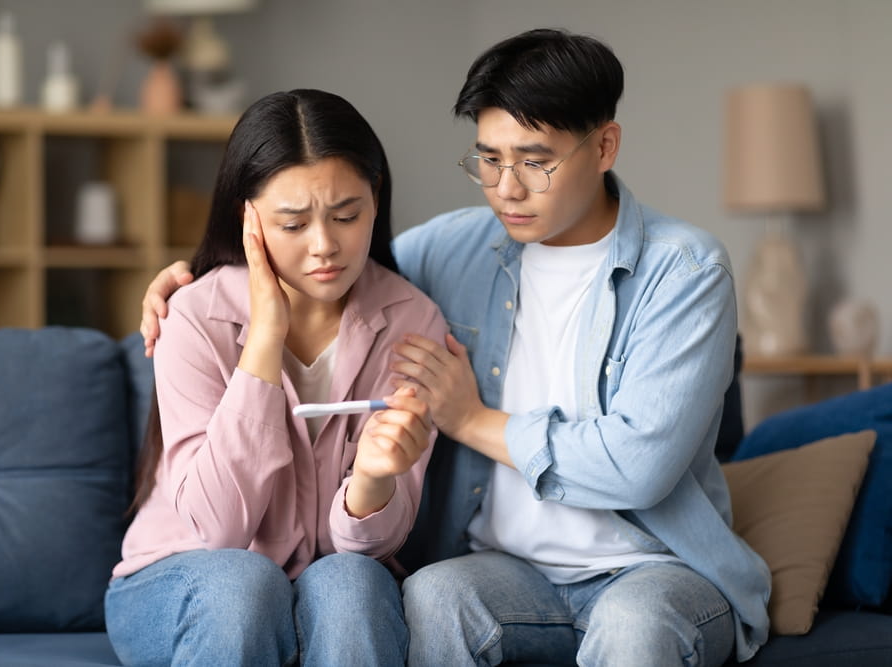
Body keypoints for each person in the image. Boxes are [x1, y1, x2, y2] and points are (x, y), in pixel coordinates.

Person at [140, 29, 771, 666]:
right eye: (488, 159)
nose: (507, 188)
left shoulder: (684, 271)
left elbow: (639, 467)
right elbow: (324, 268)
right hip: (502, 570)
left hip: (652, 566)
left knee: (637, 627)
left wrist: (472, 420)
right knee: (429, 597)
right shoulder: (453, 248)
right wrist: (190, 280)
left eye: (535, 160)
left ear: (605, 145)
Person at [108, 88, 447, 667]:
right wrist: (264, 338)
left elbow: (373, 546)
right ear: (249, 217)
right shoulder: (192, 316)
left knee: (353, 582)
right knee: (244, 583)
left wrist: (371, 479)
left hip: (329, 579)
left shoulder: (414, 321)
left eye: (347, 215)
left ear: (376, 199)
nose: (325, 247)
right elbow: (218, 531)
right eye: (293, 224)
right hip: (184, 576)